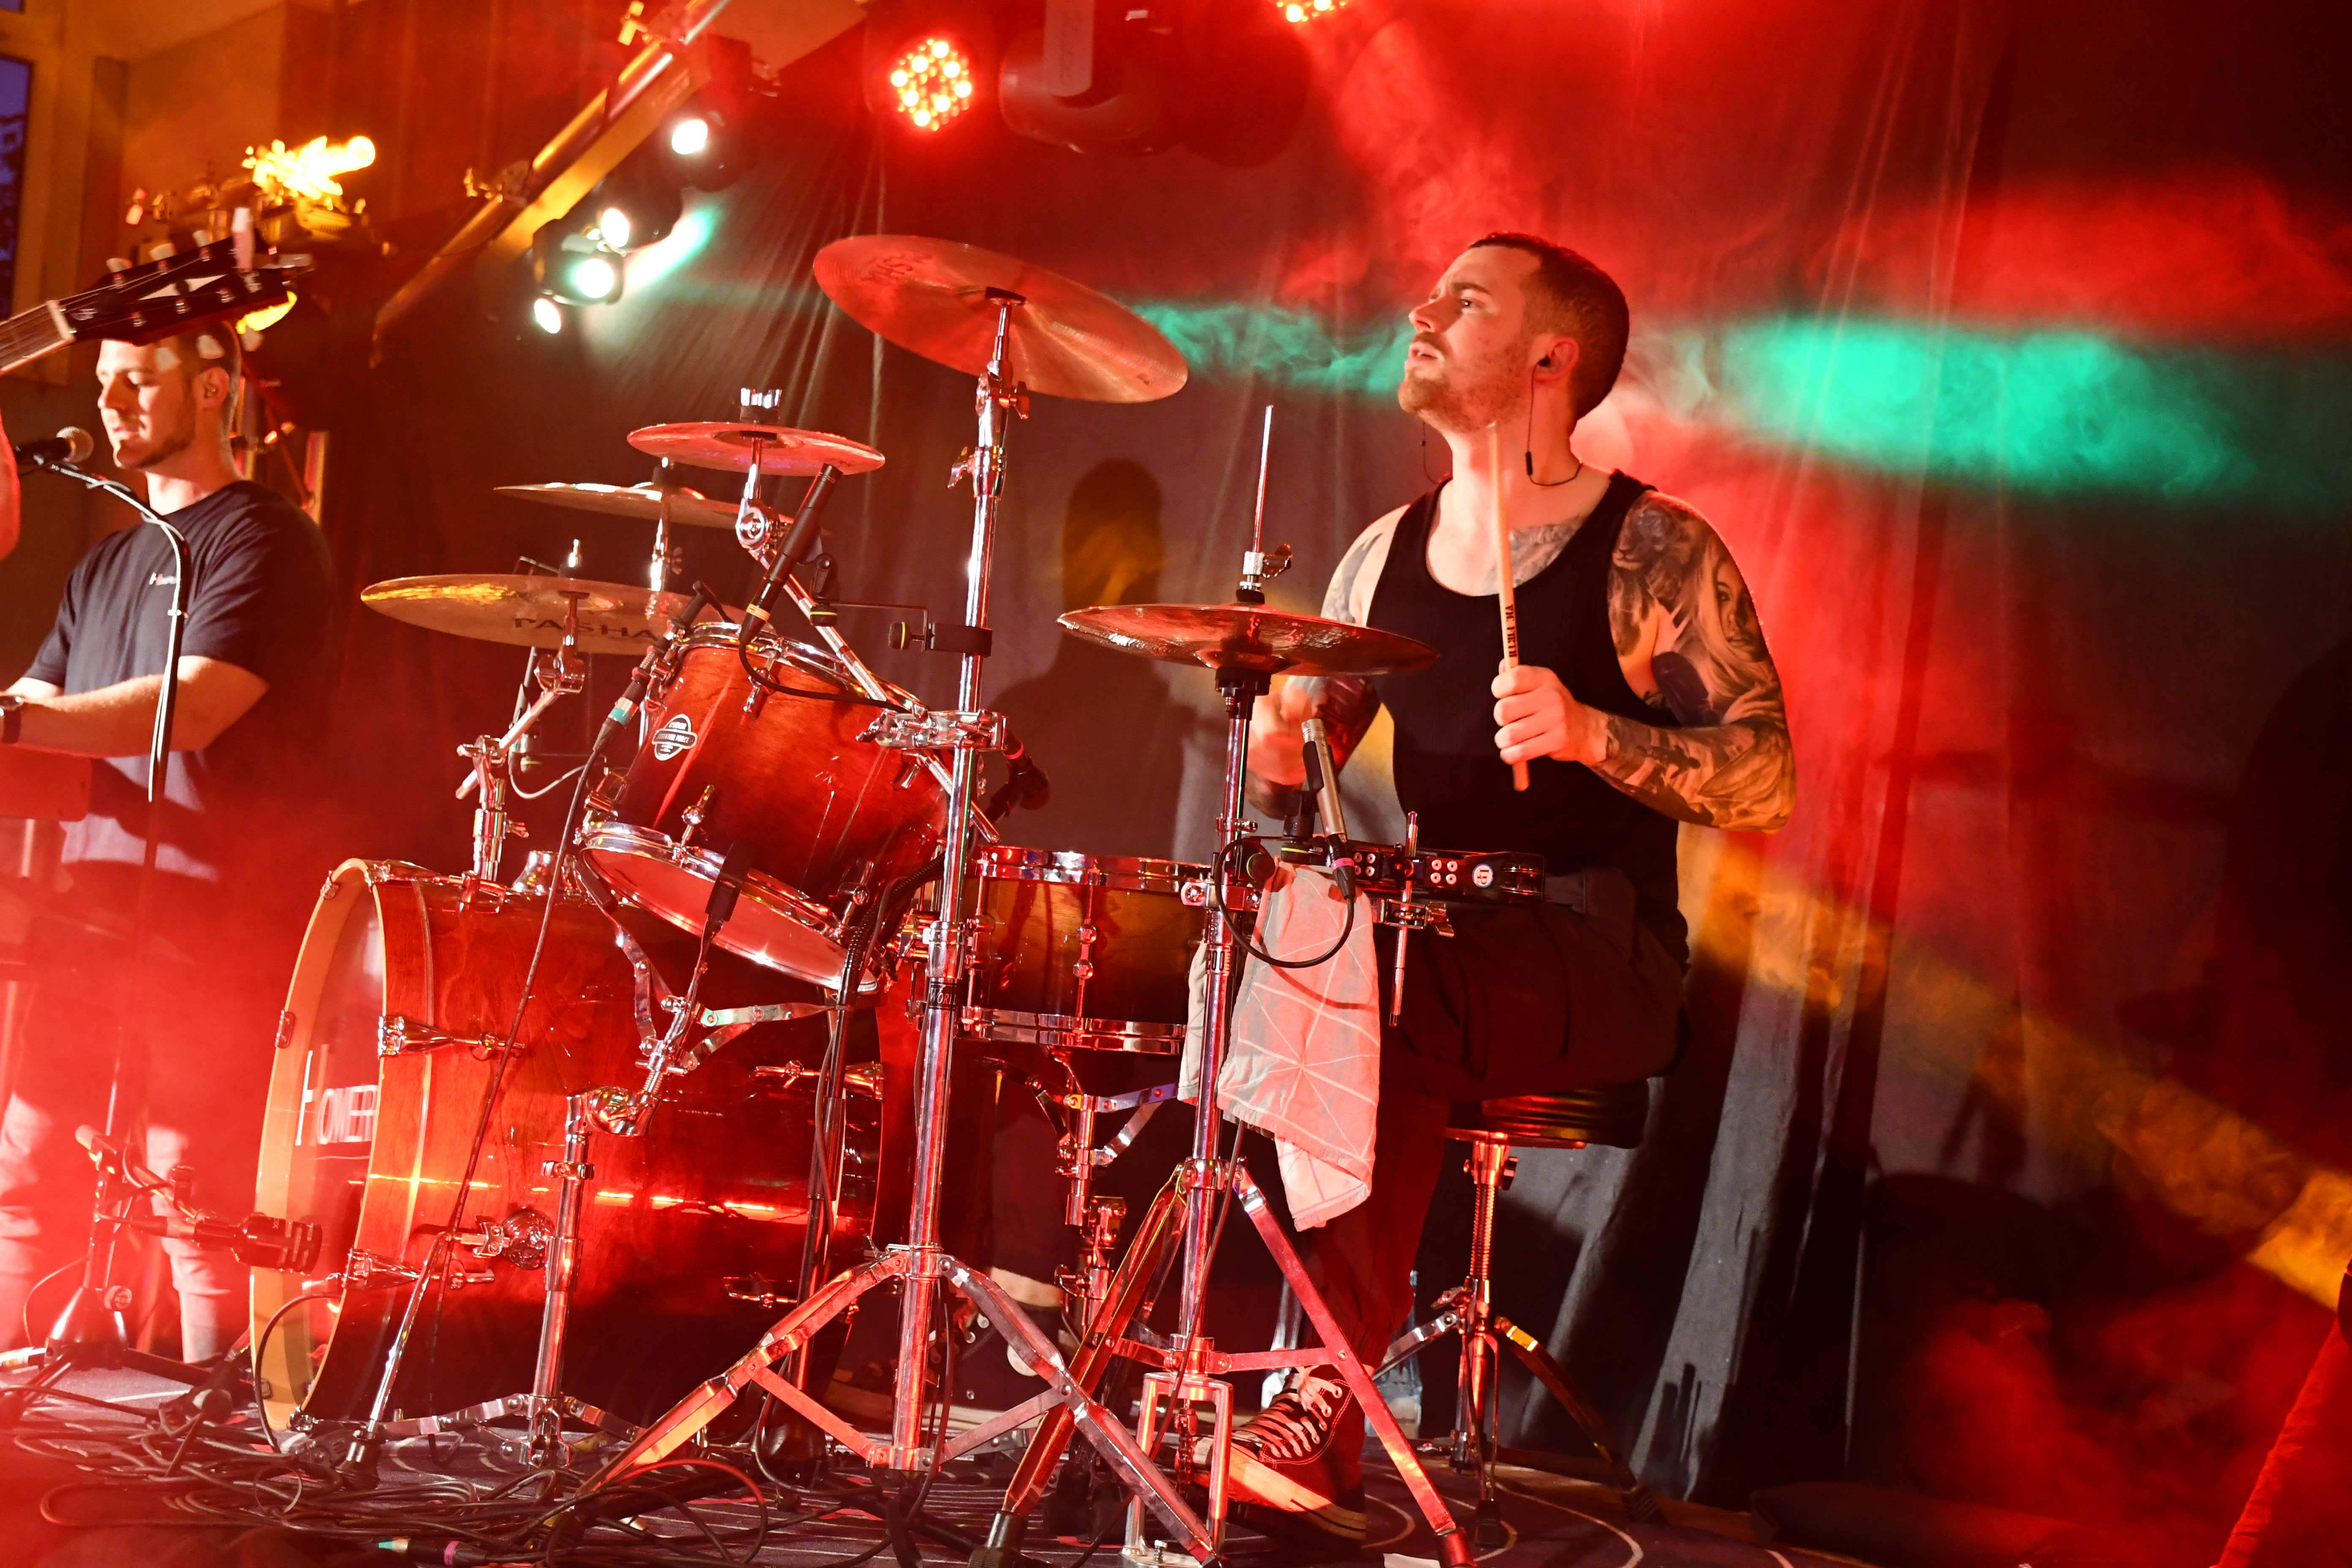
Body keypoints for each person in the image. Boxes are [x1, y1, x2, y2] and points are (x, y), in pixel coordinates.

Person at [1232, 233, 1797, 1539]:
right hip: (1433, 939)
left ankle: (1327, 1398)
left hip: (1599, 951)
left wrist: (1595, 732)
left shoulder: (1651, 547)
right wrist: (1281, 747)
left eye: (1466, 299)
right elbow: (1298, 776)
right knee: (1273, 955)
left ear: (1551, 356)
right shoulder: (1385, 552)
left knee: (1388, 985)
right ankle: (1235, 1358)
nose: (1422, 311)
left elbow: (1767, 781)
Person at [0, 328, 334, 1362]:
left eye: (138, 382)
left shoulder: (264, 538)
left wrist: (13, 719)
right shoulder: (104, 563)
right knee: (25, 1179)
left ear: (213, 387)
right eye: (104, 384)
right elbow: (35, 709)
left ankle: (214, 1425)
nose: (112, 404)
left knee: (195, 1205)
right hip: (86, 926)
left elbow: (195, 707)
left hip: (216, 933)